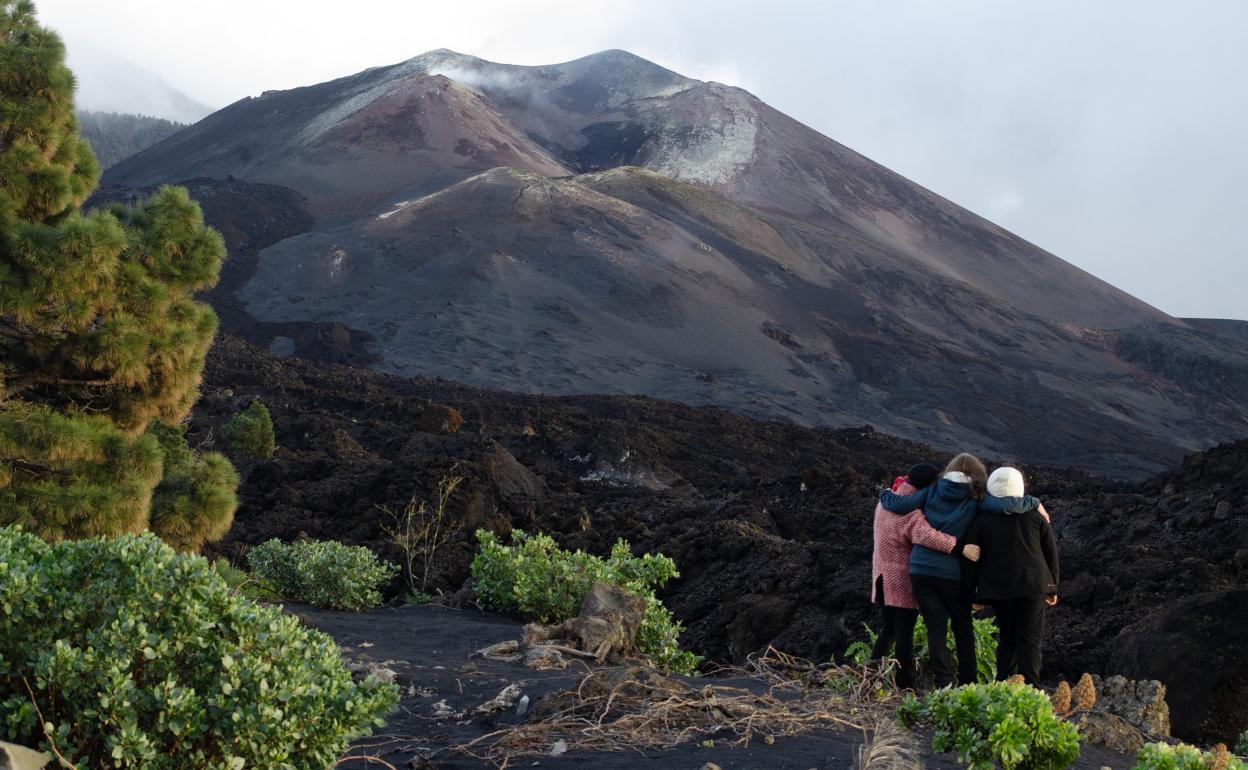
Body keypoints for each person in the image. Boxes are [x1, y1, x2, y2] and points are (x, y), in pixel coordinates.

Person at [878, 453, 1038, 688]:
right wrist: (1034, 503)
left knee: (936, 629)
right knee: (962, 627)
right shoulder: (975, 496)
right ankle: (967, 683)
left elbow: (898, 504)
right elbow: (1006, 505)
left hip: (920, 570)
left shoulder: (932, 490)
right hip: (952, 574)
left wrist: (884, 492)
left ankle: (944, 684)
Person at [870, 462, 982, 689]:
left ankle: (869, 672)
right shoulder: (912, 513)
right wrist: (960, 547)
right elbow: (926, 535)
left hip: (881, 574)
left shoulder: (883, 503)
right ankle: (905, 684)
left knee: (888, 629)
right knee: (904, 633)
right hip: (901, 577)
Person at [963, 466, 1059, 685]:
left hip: (1000, 589)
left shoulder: (983, 519)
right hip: (1034, 585)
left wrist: (976, 596)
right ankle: (1031, 690)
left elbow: (971, 559)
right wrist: (1052, 586)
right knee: (1030, 641)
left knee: (1007, 639)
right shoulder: (1036, 516)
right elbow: (1050, 552)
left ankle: (1003, 686)